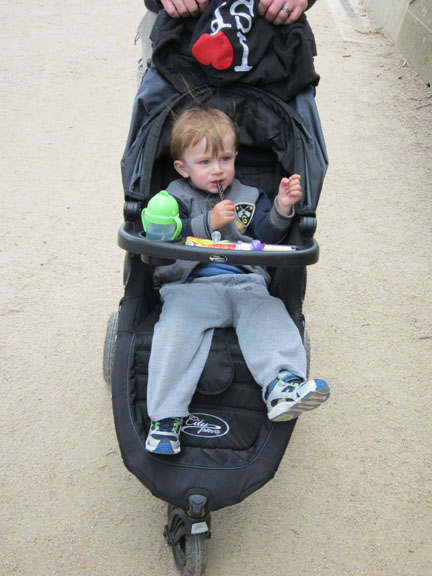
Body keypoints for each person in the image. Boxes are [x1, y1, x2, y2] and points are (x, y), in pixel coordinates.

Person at [145, 107, 330, 455]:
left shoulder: (248, 195)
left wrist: (282, 207)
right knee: (175, 331)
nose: (217, 169)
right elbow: (166, 235)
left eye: (225, 159)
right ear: (183, 168)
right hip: (192, 288)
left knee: (270, 313)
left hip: (245, 283)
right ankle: (166, 418)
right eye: (204, 162)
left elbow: (266, 234)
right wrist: (207, 223)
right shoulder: (173, 197)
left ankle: (282, 385)